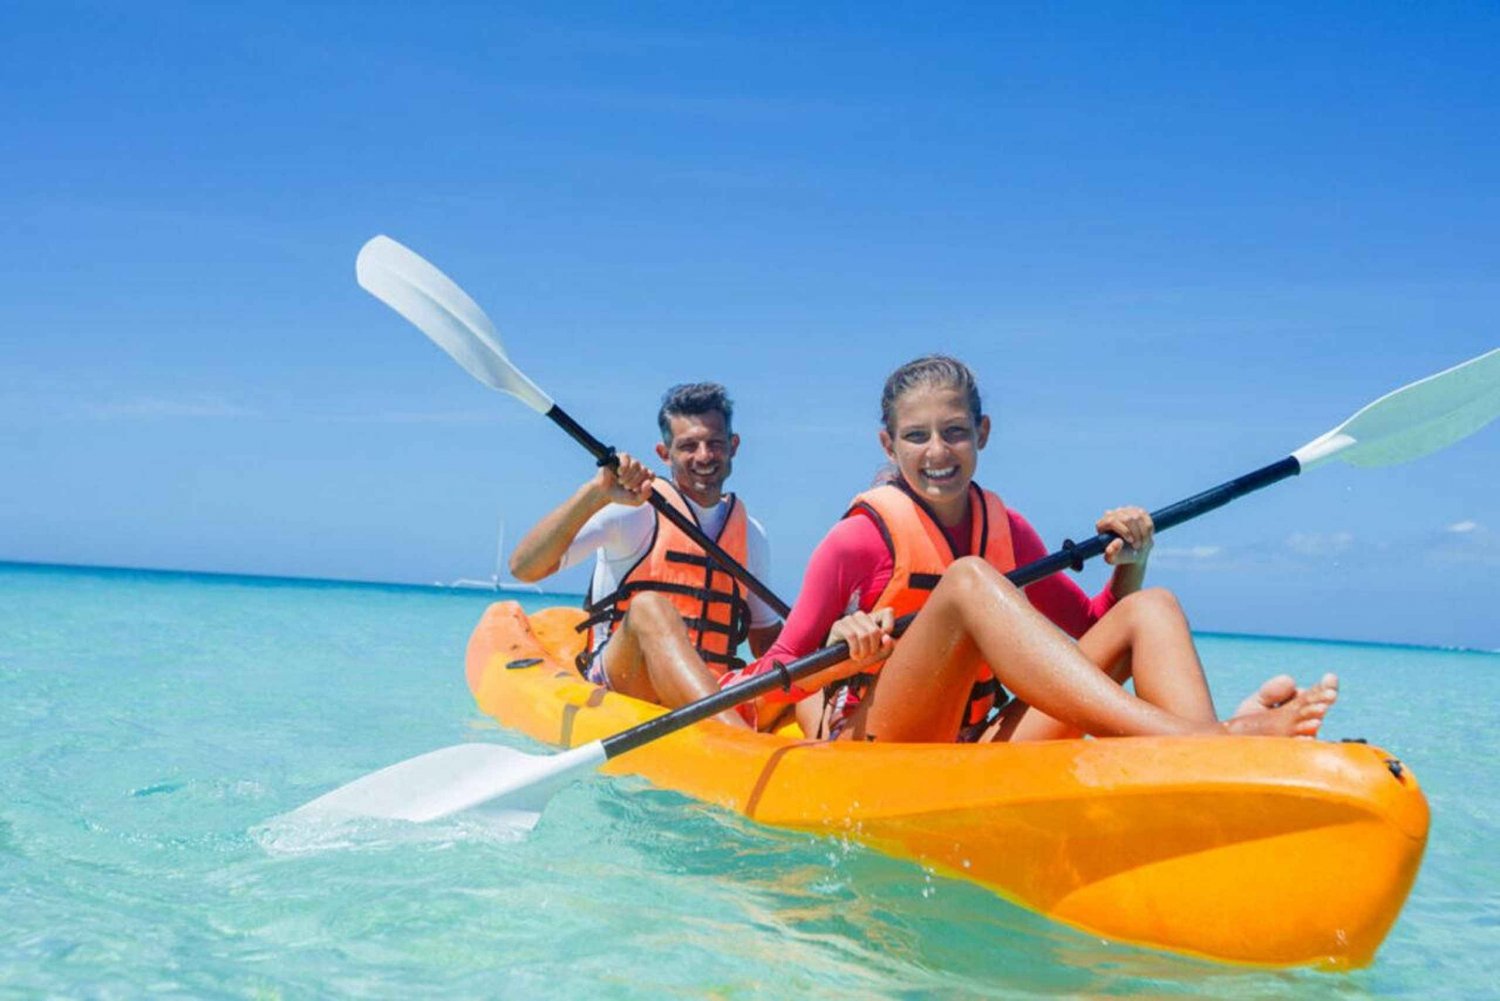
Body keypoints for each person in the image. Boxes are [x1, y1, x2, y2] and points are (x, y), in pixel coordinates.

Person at [724, 354, 1338, 742]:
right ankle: (1213, 738)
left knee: (1151, 608)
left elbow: (1098, 629)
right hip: (881, 743)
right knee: (967, 581)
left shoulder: (1008, 530)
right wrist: (840, 655)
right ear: (889, 446)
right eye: (916, 437)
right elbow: (773, 678)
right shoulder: (857, 540)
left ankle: (1203, 750)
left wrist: (1131, 565)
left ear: (983, 434)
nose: (937, 451)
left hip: (980, 741)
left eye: (956, 432)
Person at [509, 382, 781, 728]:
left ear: (733, 446)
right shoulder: (633, 510)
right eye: (687, 446)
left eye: (714, 443)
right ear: (664, 453)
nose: (703, 456)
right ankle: (735, 739)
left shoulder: (751, 534)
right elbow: (524, 568)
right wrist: (596, 494)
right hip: (625, 682)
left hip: (713, 686)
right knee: (648, 608)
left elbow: (767, 641)